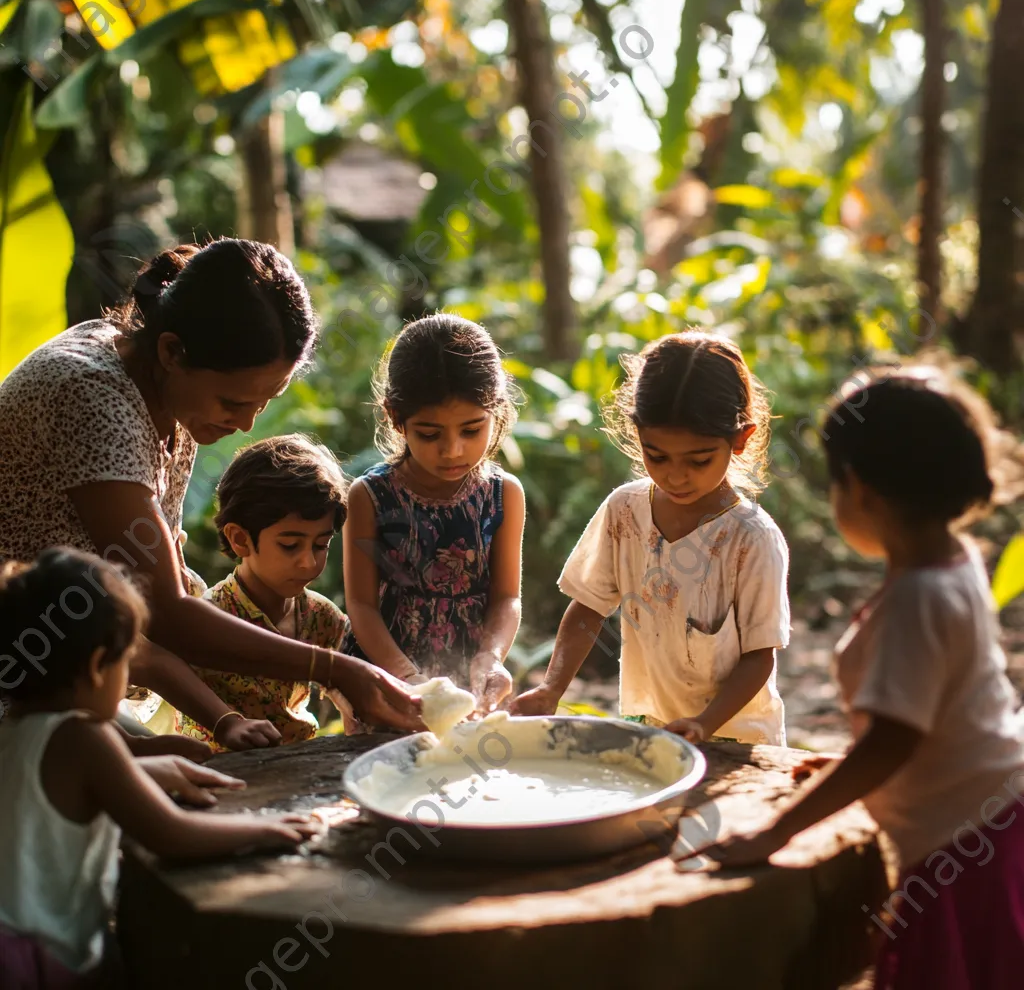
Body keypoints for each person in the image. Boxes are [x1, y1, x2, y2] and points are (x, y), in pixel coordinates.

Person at [0, 239, 421, 737]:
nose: (244, 424)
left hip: (82, 671)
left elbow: (158, 607)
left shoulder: (169, 392)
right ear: (172, 350)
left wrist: (225, 721)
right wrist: (338, 669)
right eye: (232, 401)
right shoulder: (92, 396)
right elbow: (165, 613)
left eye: (263, 403)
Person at [697, 369, 1024, 989]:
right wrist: (847, 763)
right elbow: (939, 710)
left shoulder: (918, 600)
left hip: (961, 846)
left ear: (863, 490)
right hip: (992, 815)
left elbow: (895, 740)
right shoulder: (954, 562)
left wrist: (775, 831)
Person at [0, 549, 319, 990]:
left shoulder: (14, 726)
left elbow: (50, 790)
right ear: (98, 667)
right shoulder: (84, 738)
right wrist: (266, 829)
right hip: (41, 959)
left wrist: (143, 762)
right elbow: (171, 834)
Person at [512, 330, 791, 746]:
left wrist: (704, 723)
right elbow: (588, 608)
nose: (675, 476)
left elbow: (759, 656)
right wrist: (551, 687)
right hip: (654, 728)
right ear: (637, 434)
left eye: (698, 460)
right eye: (656, 455)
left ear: (740, 439)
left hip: (737, 742)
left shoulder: (751, 538)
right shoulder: (625, 512)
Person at [341, 314, 526, 729]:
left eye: (472, 429)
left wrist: (491, 656)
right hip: (385, 676)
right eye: (429, 434)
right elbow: (362, 606)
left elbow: (506, 597)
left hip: (468, 674)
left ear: (496, 412)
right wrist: (407, 679)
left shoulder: (503, 495)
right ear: (395, 417)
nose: (452, 450)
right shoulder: (370, 497)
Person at [177, 435, 349, 749]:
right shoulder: (208, 620)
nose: (308, 562)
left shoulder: (324, 619)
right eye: (289, 545)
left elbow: (353, 692)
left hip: (299, 765)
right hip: (217, 772)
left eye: (321, 545)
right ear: (240, 539)